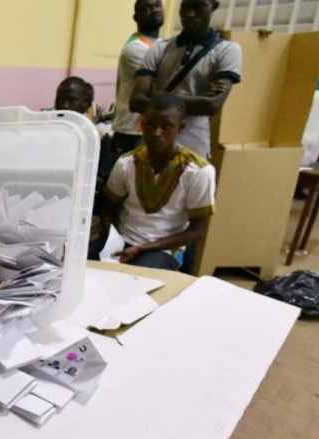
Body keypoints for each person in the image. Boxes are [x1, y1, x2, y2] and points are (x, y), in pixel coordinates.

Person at [89, 93, 215, 270]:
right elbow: (107, 209)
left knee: (138, 277)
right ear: (141, 124)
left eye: (166, 126)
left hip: (164, 248)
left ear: (181, 127)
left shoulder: (199, 171)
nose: (156, 133)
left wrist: (142, 248)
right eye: (150, 124)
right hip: (123, 241)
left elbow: (197, 231)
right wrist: (114, 240)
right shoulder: (127, 162)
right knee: (75, 264)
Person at [130, 0, 242, 158]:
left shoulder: (227, 50)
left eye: (198, 6)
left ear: (213, 6)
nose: (190, 14)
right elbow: (135, 101)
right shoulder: (159, 49)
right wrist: (196, 100)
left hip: (193, 149)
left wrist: (158, 96)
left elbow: (211, 105)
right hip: (152, 148)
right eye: (186, 7)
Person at [111, 0, 165, 158]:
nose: (154, 11)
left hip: (152, 126)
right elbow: (163, 81)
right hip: (131, 130)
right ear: (136, 17)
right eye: (146, 9)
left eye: (156, 5)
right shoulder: (135, 48)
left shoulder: (163, 44)